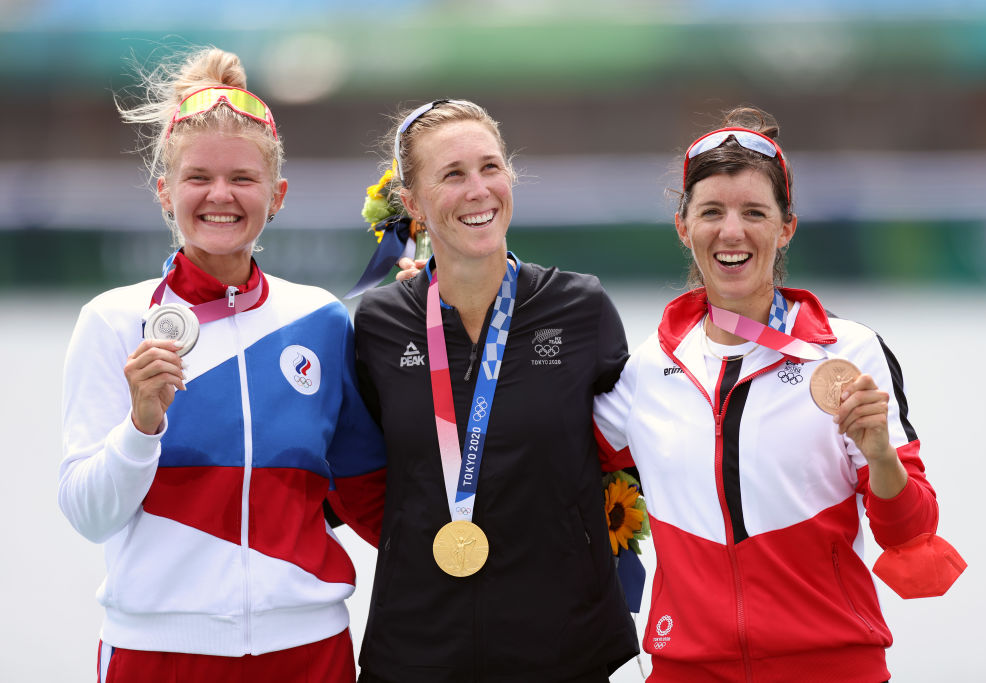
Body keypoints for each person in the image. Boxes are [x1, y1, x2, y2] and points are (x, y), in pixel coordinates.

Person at [593, 106, 961, 682]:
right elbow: (540, 450)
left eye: (754, 213)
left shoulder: (849, 352)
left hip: (831, 664)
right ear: (683, 226)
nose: (731, 231)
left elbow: (908, 530)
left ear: (786, 226)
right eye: (711, 211)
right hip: (685, 667)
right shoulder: (645, 370)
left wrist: (880, 455)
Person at [58, 47, 386, 683]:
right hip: (157, 655)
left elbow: (371, 497)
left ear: (277, 194)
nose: (220, 196)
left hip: (310, 652)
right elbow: (87, 514)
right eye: (197, 178)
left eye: (242, 178)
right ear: (164, 192)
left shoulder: (319, 319)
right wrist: (141, 427)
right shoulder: (111, 321)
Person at [352, 99, 640, 682]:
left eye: (490, 167)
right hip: (418, 647)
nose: (478, 190)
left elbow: (638, 451)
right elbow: (361, 476)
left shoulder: (580, 308)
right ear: (411, 204)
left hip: (564, 649)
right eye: (452, 175)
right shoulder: (379, 324)